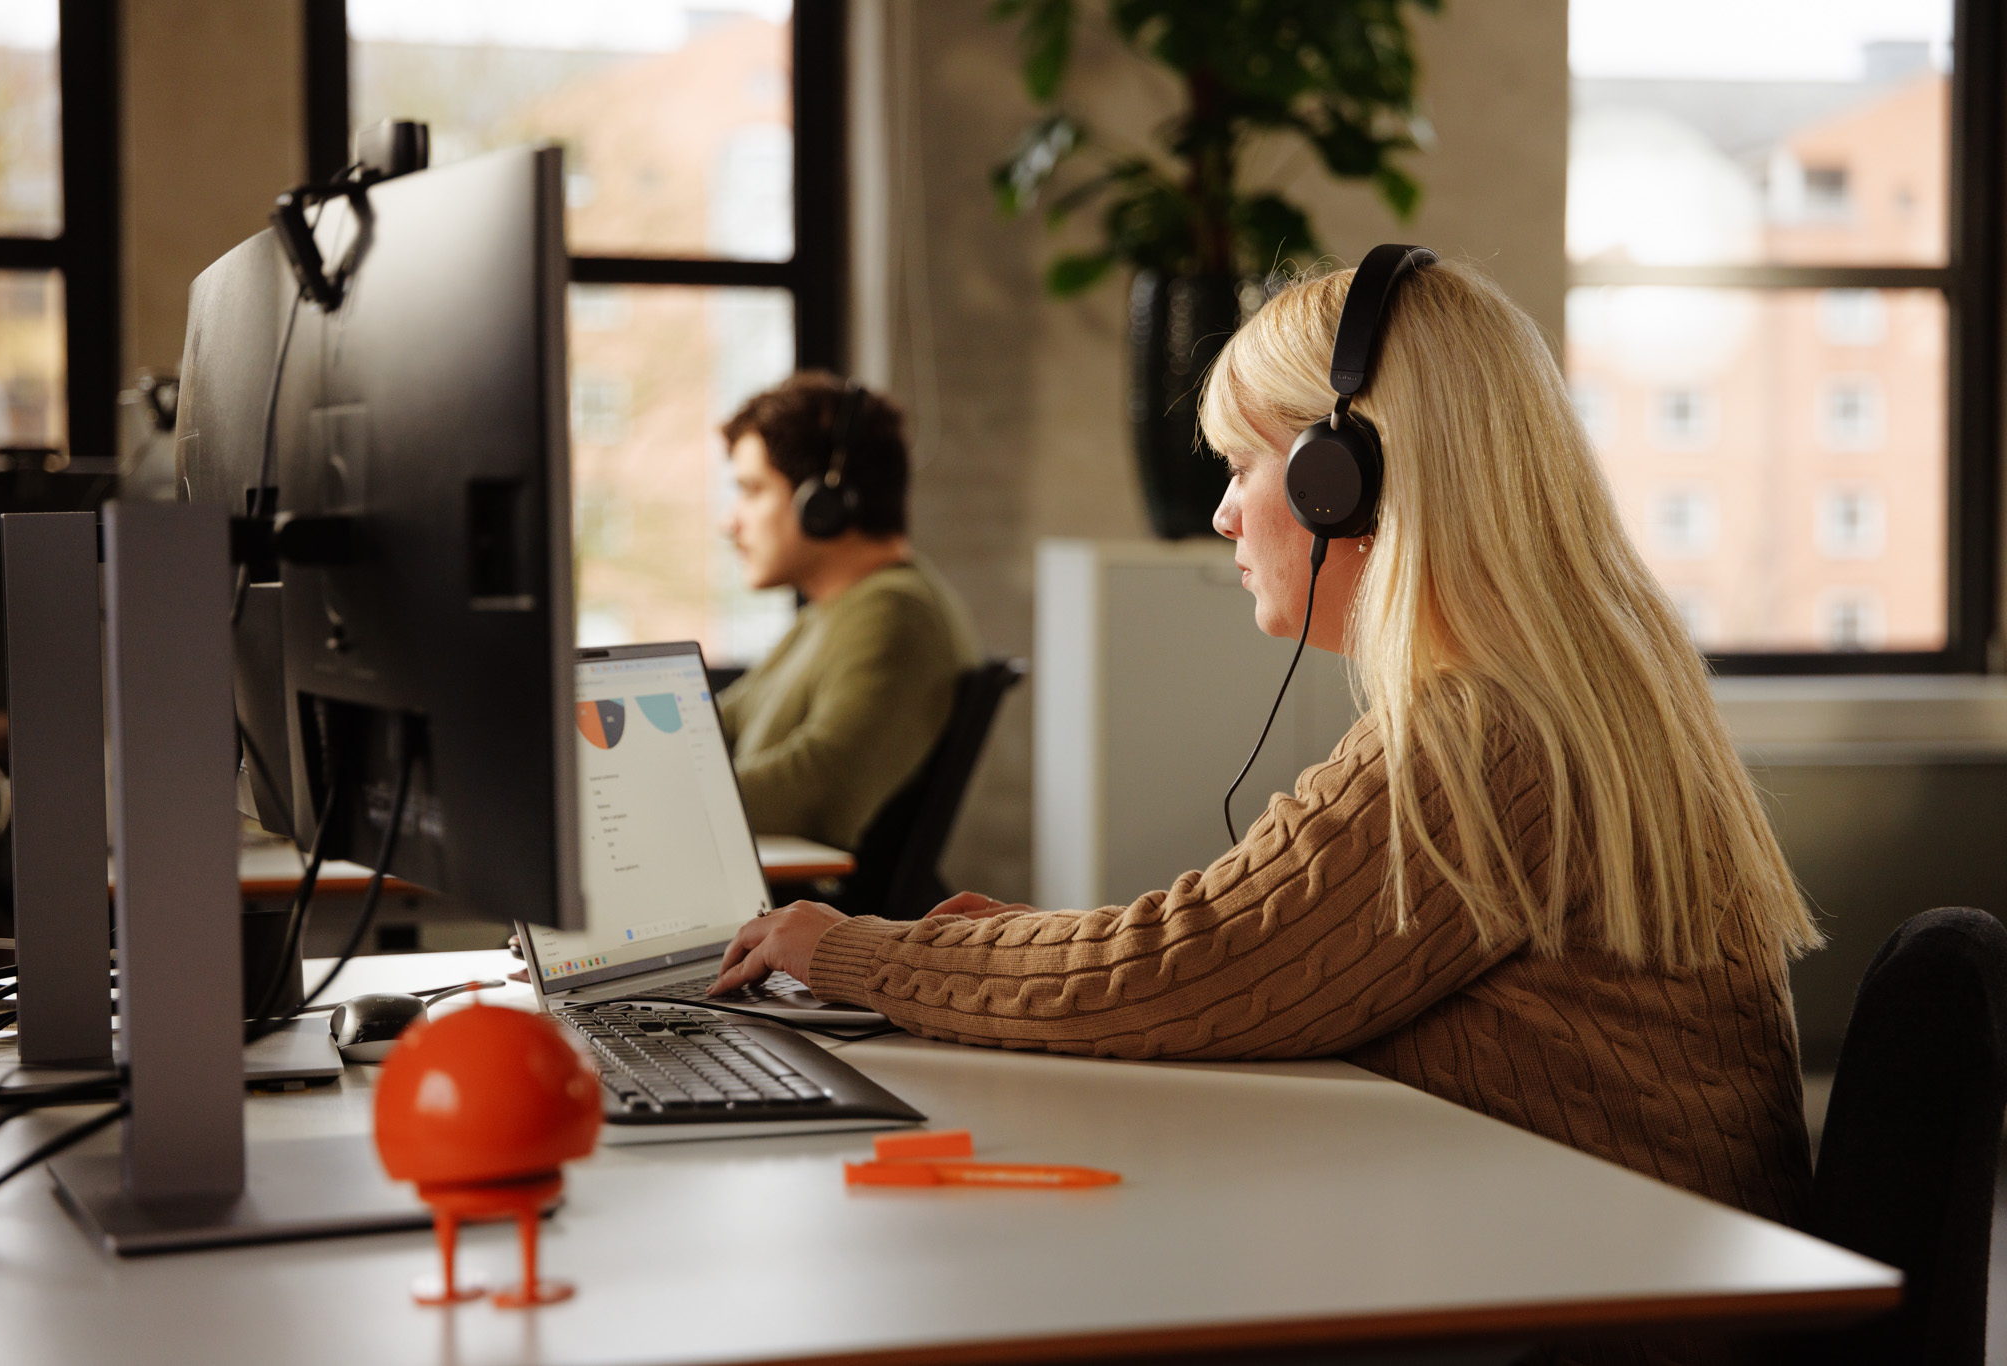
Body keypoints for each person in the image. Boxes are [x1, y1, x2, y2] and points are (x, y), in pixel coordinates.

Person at [713, 261, 1822, 1361]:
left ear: (1349, 479)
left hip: (1614, 1313)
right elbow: (1248, 951)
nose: (1221, 510)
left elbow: (1190, 962)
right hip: (1624, 1267)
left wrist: (854, 953)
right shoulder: (1552, 691)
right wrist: (1001, 950)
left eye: (1244, 463)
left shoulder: (1485, 730)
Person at [716, 371, 980, 853]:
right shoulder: (832, 610)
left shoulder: (892, 613)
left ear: (823, 501)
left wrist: (656, 805)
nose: (728, 522)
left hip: (812, 919)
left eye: (752, 491)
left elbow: (818, 790)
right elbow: (721, 721)